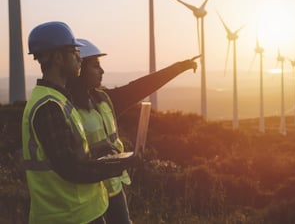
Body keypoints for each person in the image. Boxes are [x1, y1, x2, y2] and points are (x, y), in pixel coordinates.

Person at [66, 38, 199, 224]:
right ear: (79, 69)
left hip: (114, 187)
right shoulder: (66, 108)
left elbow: (140, 87)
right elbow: (69, 158)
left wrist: (178, 67)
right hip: (89, 195)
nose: (101, 71)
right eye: (95, 66)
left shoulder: (104, 100)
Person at [22, 21, 139, 224]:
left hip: (82, 212)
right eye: (74, 51)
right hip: (67, 216)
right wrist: (119, 165)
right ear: (58, 58)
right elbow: (71, 168)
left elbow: (66, 153)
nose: (79, 57)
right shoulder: (48, 107)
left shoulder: (59, 100)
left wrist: (95, 148)